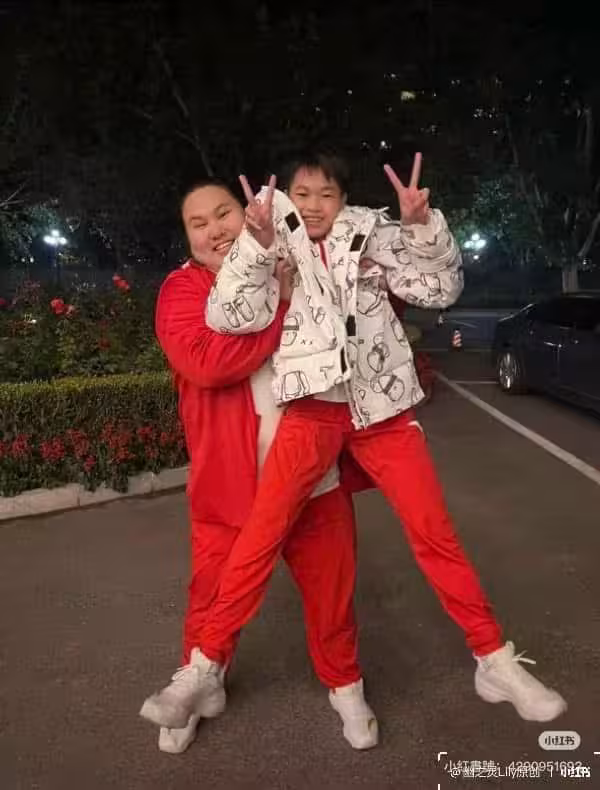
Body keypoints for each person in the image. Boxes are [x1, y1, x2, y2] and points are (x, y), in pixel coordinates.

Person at [142, 152, 566, 738]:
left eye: (328, 193)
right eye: (199, 222)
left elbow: (436, 287)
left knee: (404, 549)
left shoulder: (368, 237)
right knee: (233, 567)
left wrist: (420, 227)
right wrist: (263, 257)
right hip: (251, 461)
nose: (314, 205)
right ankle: (201, 672)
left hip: (369, 419)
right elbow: (220, 337)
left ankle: (483, 660)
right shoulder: (244, 263)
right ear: (281, 201)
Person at [148, 177, 378, 754]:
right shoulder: (183, 289)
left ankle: (345, 684)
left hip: (315, 478)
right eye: (198, 223)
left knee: (332, 594)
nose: (214, 229)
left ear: (247, 214)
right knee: (211, 595)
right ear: (188, 238)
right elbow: (206, 363)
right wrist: (280, 309)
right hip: (230, 485)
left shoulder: (291, 267)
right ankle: (201, 682)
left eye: (223, 213)